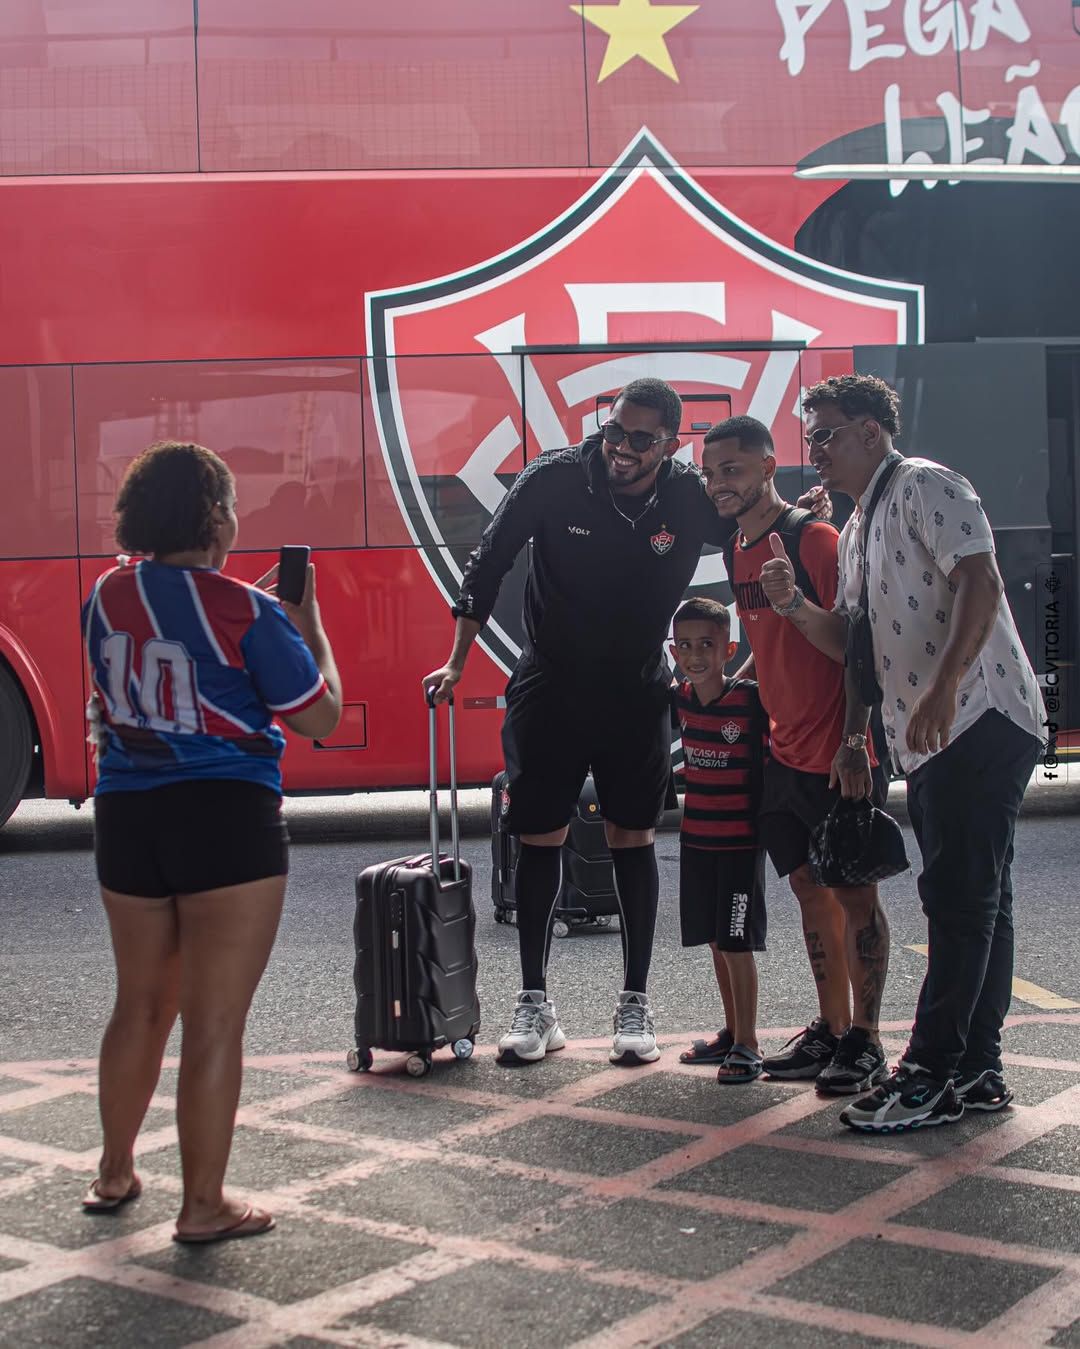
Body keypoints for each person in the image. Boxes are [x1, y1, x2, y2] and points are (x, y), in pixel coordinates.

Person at [423, 378, 831, 1067]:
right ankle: (534, 1002)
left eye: (641, 438)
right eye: (615, 430)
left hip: (637, 686)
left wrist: (804, 510)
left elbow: (752, 519)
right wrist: (458, 660)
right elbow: (486, 562)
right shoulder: (554, 479)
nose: (621, 447)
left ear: (670, 445)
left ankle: (634, 1003)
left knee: (631, 837)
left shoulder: (686, 496)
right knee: (539, 835)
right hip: (549, 679)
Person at [80, 441, 341, 1240]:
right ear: (219, 517)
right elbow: (321, 716)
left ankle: (115, 1171)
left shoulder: (105, 595)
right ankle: (203, 1205)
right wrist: (309, 626)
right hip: (227, 815)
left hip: (127, 815)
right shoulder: (248, 611)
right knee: (214, 1020)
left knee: (140, 1003)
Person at [798, 375, 1046, 1133]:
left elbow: (980, 577)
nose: (816, 452)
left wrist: (943, 687)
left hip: (978, 715)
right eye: (811, 438)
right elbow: (857, 645)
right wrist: (852, 736)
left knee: (960, 901)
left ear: (871, 431)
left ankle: (930, 1074)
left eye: (827, 434)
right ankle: (977, 1072)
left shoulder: (925, 484)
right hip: (931, 736)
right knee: (982, 901)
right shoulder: (860, 522)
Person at [700, 415, 891, 1096]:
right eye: (710, 471)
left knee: (854, 896)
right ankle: (832, 1029)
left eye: (733, 469)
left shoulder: (816, 539)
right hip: (785, 749)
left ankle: (867, 1042)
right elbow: (768, 634)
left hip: (839, 749)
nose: (720, 482)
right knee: (811, 892)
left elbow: (854, 642)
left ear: (769, 465)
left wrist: (854, 741)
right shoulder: (736, 548)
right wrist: (737, 681)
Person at [671, 598, 768, 1084]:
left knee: (736, 942)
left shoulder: (749, 699)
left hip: (738, 847)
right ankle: (732, 1033)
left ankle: (749, 1044)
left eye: (706, 645)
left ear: (728, 649)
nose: (696, 655)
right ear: (673, 651)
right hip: (697, 844)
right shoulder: (681, 699)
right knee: (715, 940)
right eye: (685, 646)